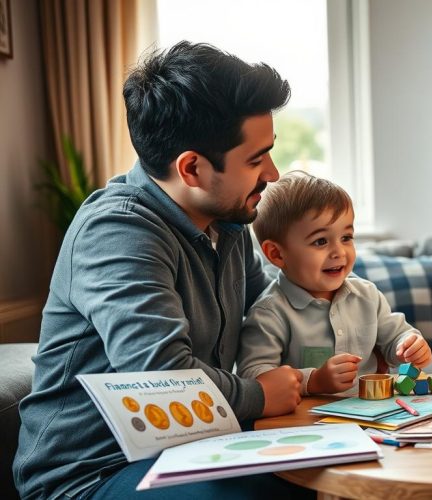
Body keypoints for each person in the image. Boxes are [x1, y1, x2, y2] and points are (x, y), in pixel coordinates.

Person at [14, 42, 311, 499]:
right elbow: (166, 381)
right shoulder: (116, 232)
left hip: (196, 447)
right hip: (93, 474)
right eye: (256, 159)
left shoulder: (227, 222)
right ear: (191, 168)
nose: (272, 174)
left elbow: (277, 311)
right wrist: (260, 394)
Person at [237, 171, 432, 395]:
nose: (339, 252)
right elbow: (252, 374)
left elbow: (395, 337)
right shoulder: (269, 313)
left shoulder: (367, 295)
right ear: (277, 254)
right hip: (308, 420)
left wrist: (408, 345)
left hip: (372, 412)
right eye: (320, 241)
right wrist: (312, 381)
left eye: (346, 238)